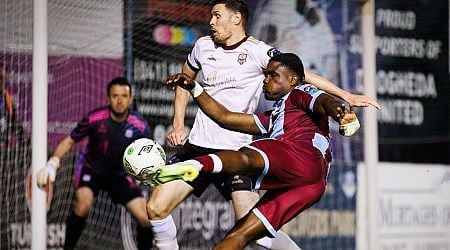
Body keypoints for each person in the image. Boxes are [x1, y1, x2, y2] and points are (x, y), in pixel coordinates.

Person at [147, 1, 379, 249]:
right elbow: (185, 81)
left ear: (236, 19)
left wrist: (346, 96)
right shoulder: (202, 46)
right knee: (155, 208)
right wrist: (178, 123)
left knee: (256, 231)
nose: (211, 22)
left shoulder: (258, 51)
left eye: (217, 16)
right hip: (199, 145)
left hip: (237, 152)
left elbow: (301, 75)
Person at [36, 77, 153, 250]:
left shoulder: (140, 126)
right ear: (108, 98)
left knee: (145, 218)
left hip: (120, 175)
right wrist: (53, 162)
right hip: (91, 169)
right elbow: (69, 140)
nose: (119, 101)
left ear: (130, 99)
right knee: (83, 206)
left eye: (123, 96)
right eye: (115, 96)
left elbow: (151, 153)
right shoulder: (94, 118)